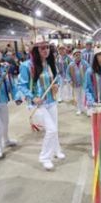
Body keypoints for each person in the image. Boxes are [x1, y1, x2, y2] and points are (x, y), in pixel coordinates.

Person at [17, 39, 65, 170]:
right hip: (38, 104)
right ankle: (45, 157)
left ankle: (56, 150)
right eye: (42, 48)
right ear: (36, 51)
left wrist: (57, 85)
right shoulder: (27, 65)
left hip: (51, 101)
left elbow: (57, 78)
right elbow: (21, 85)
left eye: (48, 48)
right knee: (51, 129)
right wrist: (33, 98)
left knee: (55, 128)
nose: (46, 50)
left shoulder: (50, 63)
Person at [67, 49, 89, 115]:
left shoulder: (85, 63)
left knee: (84, 96)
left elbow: (89, 71)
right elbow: (67, 73)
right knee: (78, 96)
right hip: (75, 83)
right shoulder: (71, 64)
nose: (78, 56)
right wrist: (69, 80)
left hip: (84, 83)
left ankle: (85, 109)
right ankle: (79, 109)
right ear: (73, 56)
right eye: (76, 55)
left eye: (79, 55)